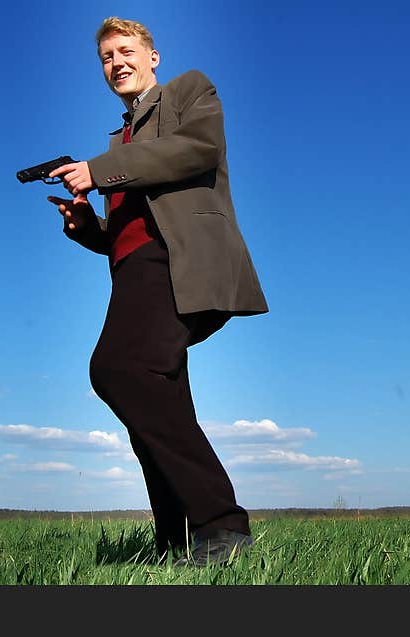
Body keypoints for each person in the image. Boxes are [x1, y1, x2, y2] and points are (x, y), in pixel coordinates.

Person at [46, 17, 268, 566]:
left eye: (125, 51)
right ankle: (177, 541)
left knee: (118, 371)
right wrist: (87, 228)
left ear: (153, 56)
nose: (116, 62)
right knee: (156, 402)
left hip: (175, 265)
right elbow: (128, 231)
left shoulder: (189, 91)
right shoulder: (121, 140)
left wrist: (98, 171)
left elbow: (196, 149)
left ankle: (221, 522)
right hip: (136, 270)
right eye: (105, 57)